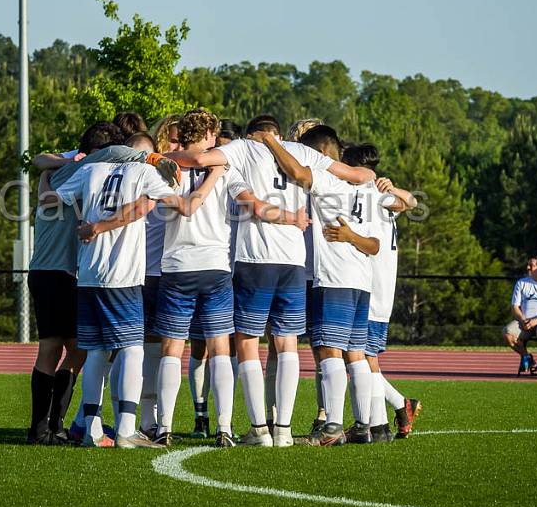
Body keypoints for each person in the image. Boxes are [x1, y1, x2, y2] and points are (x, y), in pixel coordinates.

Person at [165, 115, 374, 447]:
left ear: (253, 133)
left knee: (248, 342)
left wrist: (157, 157)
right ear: (278, 132)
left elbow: (200, 159)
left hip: (256, 258)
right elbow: (354, 174)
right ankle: (285, 431)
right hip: (293, 260)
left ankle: (259, 429)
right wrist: (375, 178)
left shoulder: (244, 148)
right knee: (286, 342)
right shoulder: (299, 151)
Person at [50, 147, 220, 448]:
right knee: (131, 348)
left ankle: (92, 429)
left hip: (88, 271)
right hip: (122, 274)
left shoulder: (91, 170)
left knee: (97, 351)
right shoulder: (144, 171)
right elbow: (174, 206)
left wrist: (45, 174)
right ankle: (127, 428)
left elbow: (50, 199)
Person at [26, 122, 173, 444]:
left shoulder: (71, 170)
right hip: (61, 271)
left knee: (77, 350)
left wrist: (51, 170)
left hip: (56, 271)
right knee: (70, 349)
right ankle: (50, 427)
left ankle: (55, 426)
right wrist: (157, 161)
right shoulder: (90, 169)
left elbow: (39, 164)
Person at [262, 127, 380, 446]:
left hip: (333, 276)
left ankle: (331, 428)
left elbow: (298, 171)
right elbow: (374, 245)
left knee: (329, 350)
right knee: (355, 354)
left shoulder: (327, 179)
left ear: (322, 155)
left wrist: (272, 142)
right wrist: (353, 237)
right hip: (361, 280)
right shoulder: (367, 187)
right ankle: (363, 425)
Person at [152, 109, 259, 447]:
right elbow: (248, 202)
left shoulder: (166, 165)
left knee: (172, 349)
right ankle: (224, 428)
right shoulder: (225, 168)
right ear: (212, 135)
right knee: (220, 348)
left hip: (177, 264)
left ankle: (163, 427)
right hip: (215, 265)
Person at [345, 144, 421, 441]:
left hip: (372, 289)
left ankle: (385, 418)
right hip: (377, 289)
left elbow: (411, 202)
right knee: (363, 359)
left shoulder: (371, 196)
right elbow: (410, 202)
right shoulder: (380, 197)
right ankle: (387, 417)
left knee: (364, 360)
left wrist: (392, 187)